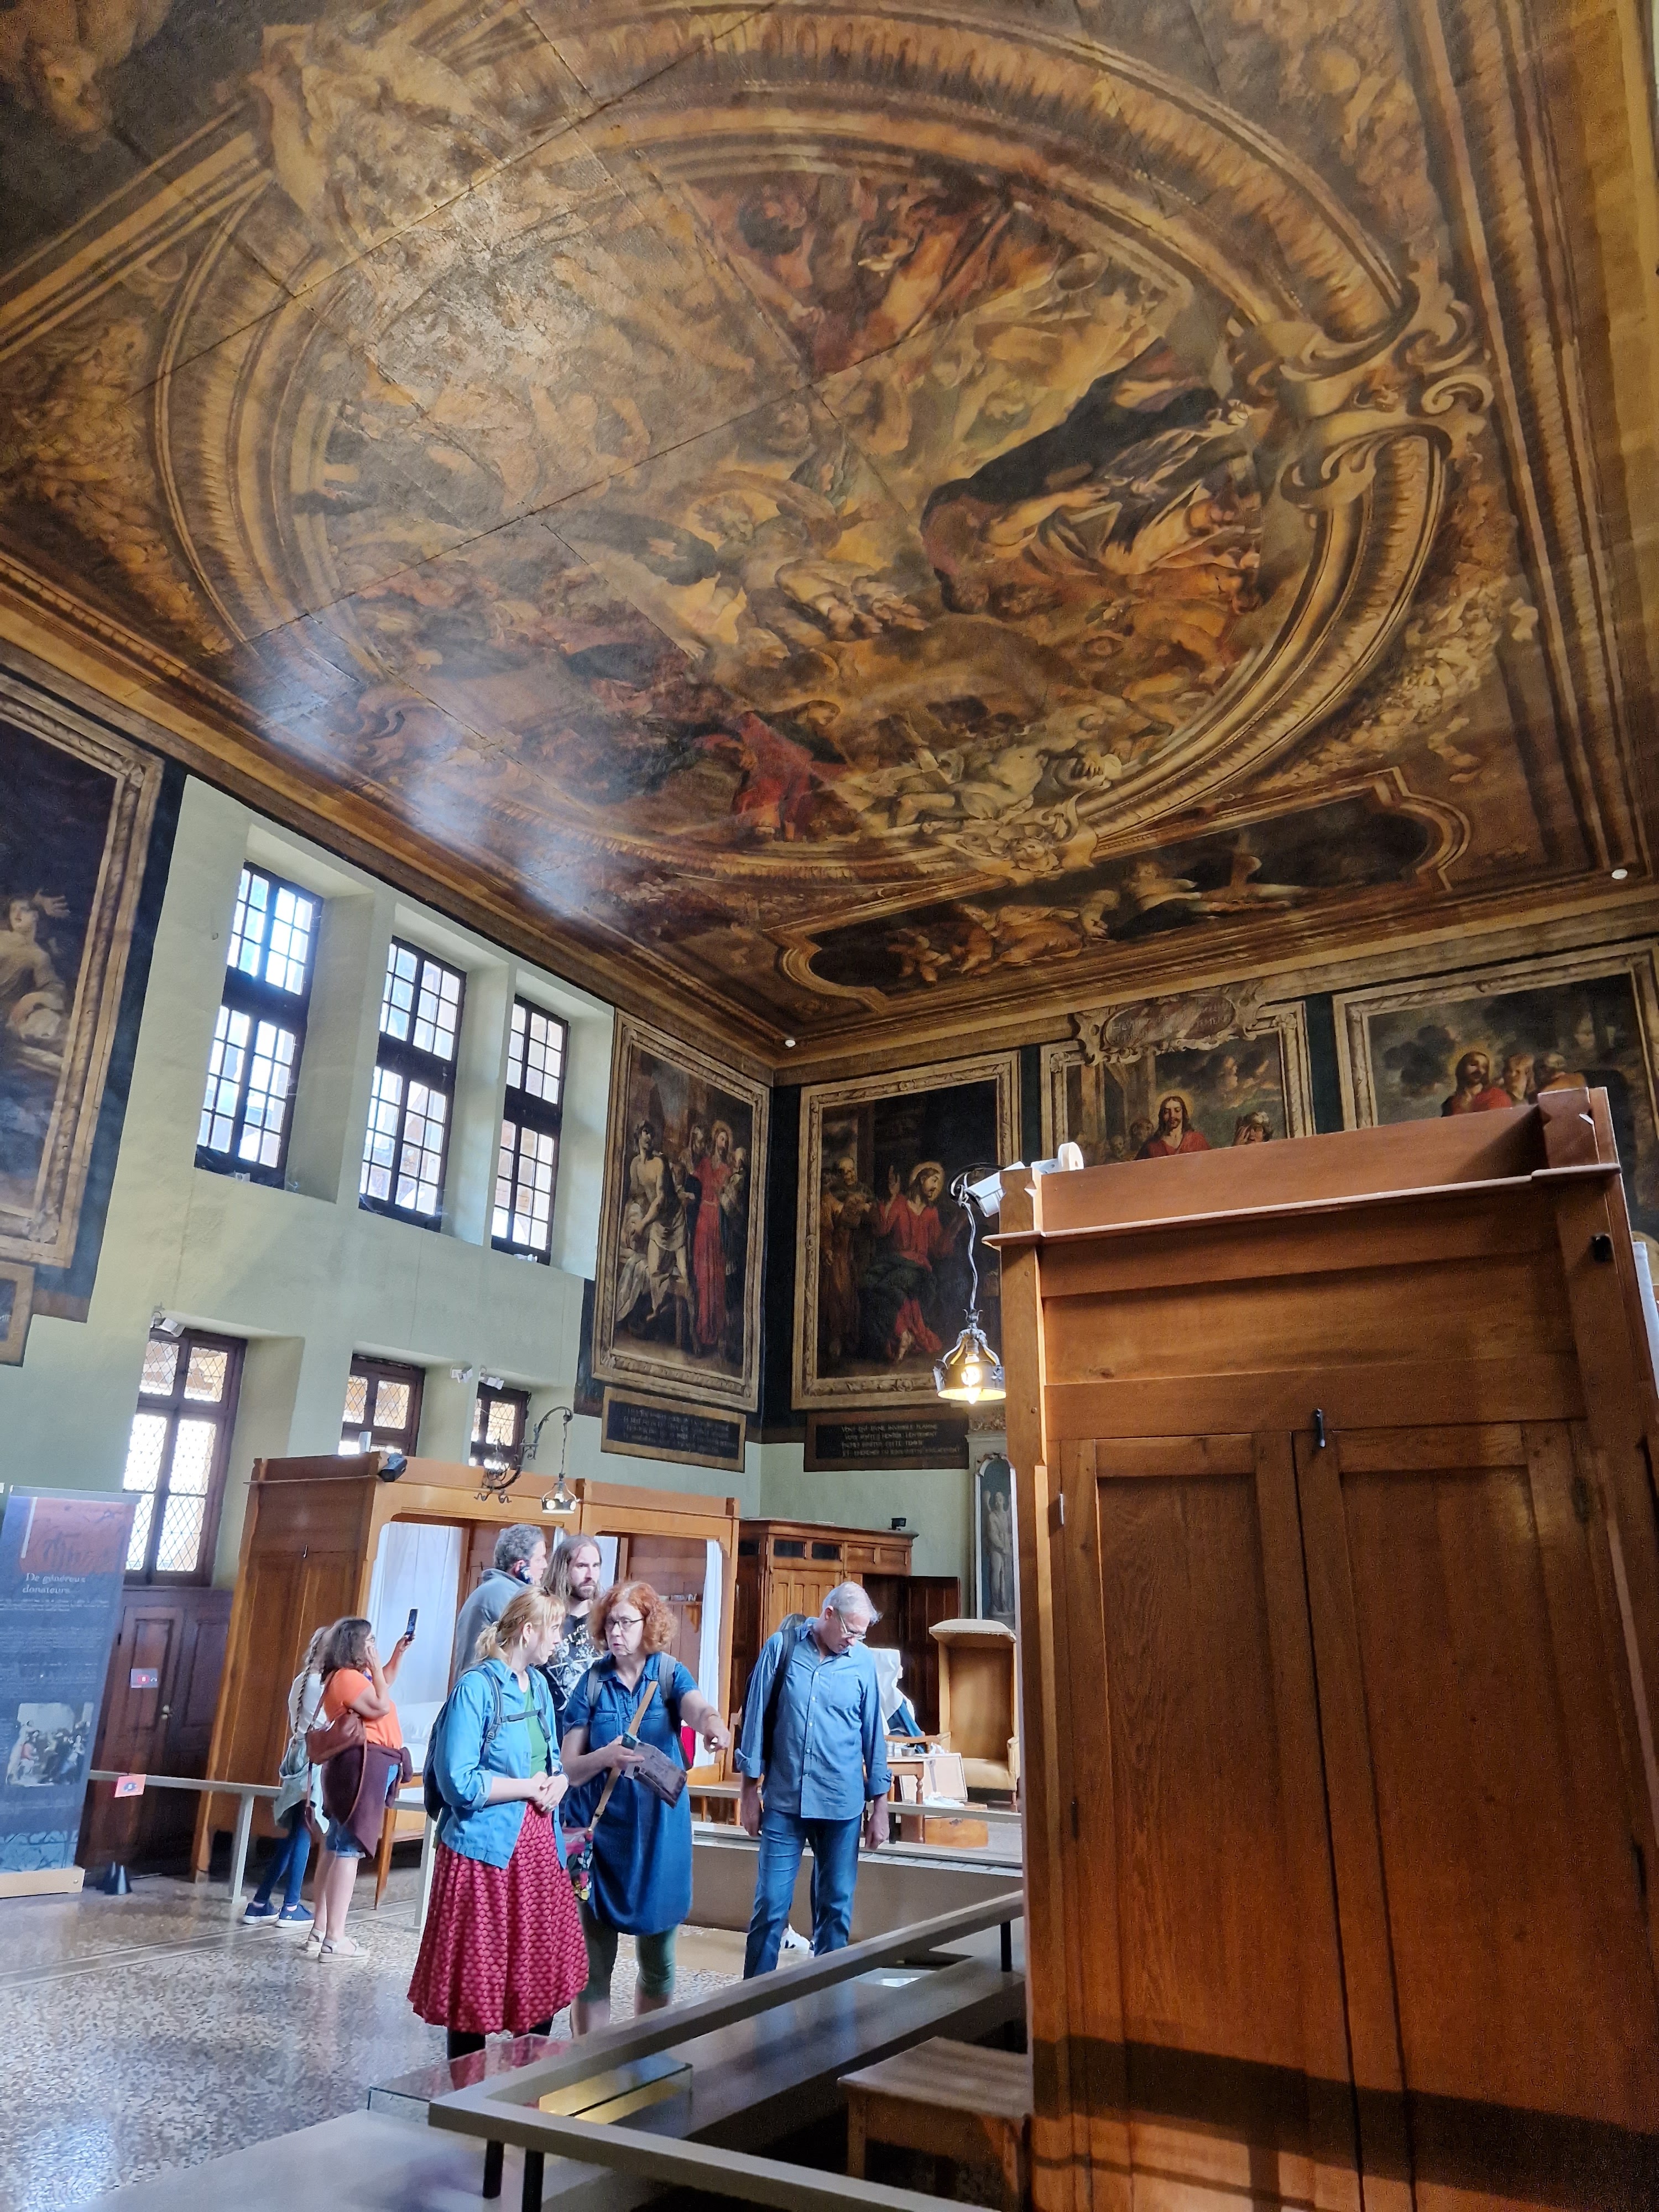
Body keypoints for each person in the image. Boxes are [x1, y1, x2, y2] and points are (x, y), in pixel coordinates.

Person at [409, 1588, 587, 2058]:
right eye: (553, 1630)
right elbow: (459, 1782)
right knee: (475, 1987)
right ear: (528, 1632)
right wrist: (527, 1787)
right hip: (483, 1854)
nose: (558, 1640)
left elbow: (551, 1760)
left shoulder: (540, 1687)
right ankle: (468, 2090)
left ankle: (526, 2083)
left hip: (538, 1851)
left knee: (540, 1979)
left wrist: (558, 1782)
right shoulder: (476, 1688)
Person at [560, 1580, 731, 2032]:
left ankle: (645, 2057)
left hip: (660, 1838)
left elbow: (697, 1708)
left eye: (626, 1623)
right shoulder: (592, 1683)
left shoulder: (669, 1674)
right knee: (593, 1970)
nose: (616, 1632)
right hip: (601, 1840)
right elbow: (570, 1768)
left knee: (659, 1965)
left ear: (648, 1624)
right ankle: (592, 2064)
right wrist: (605, 1756)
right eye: (610, 1623)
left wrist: (713, 1726)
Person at [735, 1583, 891, 1978]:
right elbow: (755, 1721)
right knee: (770, 1907)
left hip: (841, 1805)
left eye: (862, 1635)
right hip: (785, 1801)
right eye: (851, 1631)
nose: (854, 1641)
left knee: (835, 1909)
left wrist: (881, 1807)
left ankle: (828, 1998)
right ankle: (752, 2000)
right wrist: (748, 1793)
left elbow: (873, 1736)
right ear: (828, 1614)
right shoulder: (782, 1648)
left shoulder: (862, 1663)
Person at [309, 1615, 412, 1960]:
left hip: (362, 1764)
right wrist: (375, 1665)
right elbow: (381, 1704)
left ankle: (321, 1929)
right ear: (355, 1645)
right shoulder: (347, 1677)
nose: (373, 1647)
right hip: (363, 1764)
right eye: (369, 1642)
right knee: (348, 1848)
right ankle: (335, 1937)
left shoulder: (352, 1677)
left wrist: (396, 1655)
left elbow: (384, 1684)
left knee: (337, 1845)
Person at [242, 1625, 327, 1927]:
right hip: (314, 1758)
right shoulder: (323, 1685)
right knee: (303, 1830)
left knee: (295, 1832)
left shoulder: (301, 1681)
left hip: (296, 1753)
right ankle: (291, 1905)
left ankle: (260, 1902)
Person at [451, 1525, 549, 1682]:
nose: (545, 1565)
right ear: (520, 1567)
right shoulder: (504, 1594)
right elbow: (535, 1645)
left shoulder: (493, 1589)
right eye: (539, 1559)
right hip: (488, 1689)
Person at [540, 1535, 604, 1736]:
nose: (590, 1575)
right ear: (563, 1569)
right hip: (554, 1737)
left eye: (596, 1566)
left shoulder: (608, 1621)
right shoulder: (543, 1619)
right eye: (582, 1566)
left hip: (598, 1739)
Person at [1439, 1050, 1512, 1114]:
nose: (1479, 1070)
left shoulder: (1496, 1096)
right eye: (1474, 1065)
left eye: (1484, 1067)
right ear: (1462, 1068)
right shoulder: (1451, 1103)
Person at [1136, 1094, 1211, 1157]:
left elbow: (1210, 1163)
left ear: (1183, 1113)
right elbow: (1137, 1167)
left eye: (1177, 1110)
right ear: (1162, 1115)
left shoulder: (1197, 1139)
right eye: (1167, 1112)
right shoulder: (1152, 1145)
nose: (1172, 1116)